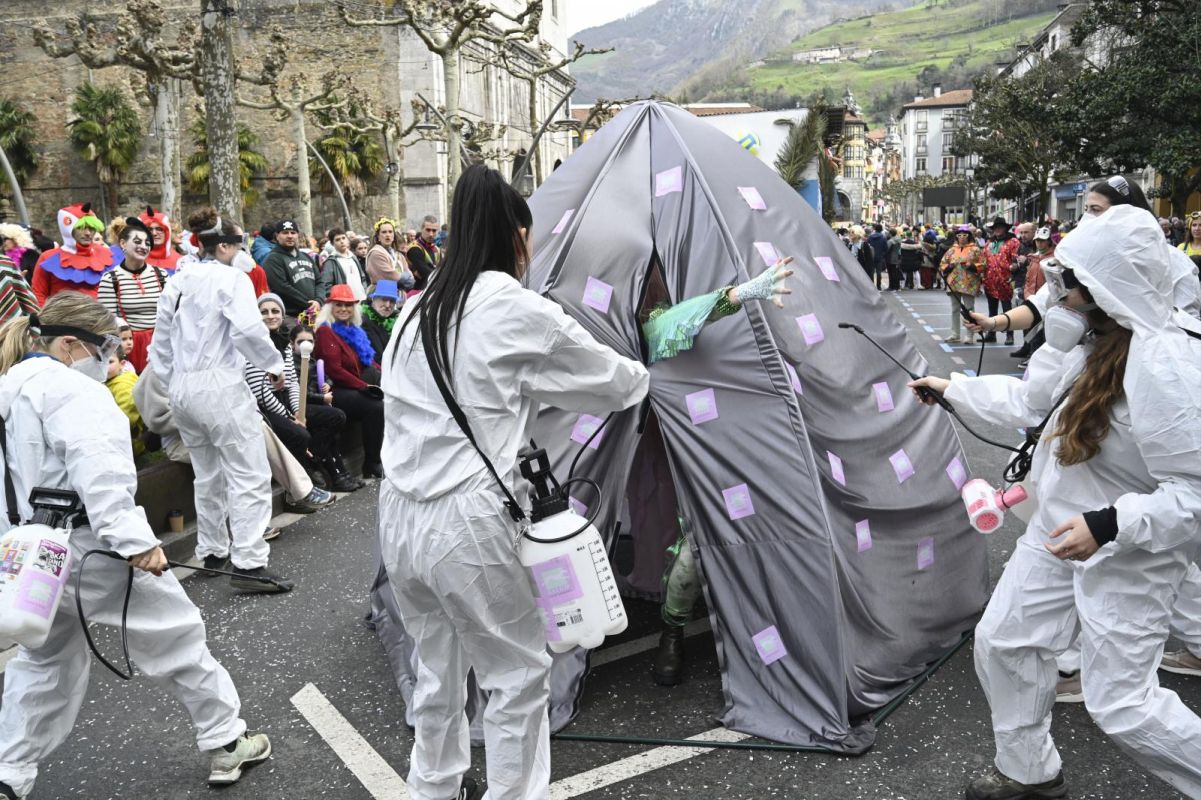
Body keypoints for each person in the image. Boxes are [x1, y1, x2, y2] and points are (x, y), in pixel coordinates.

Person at [911, 205, 1201, 800]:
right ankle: (1028, 773)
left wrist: (1109, 524)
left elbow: (1194, 492)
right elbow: (1033, 406)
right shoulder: (1096, 344)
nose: (1057, 292)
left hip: (1128, 552)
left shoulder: (1166, 363)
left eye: (1071, 282)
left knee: (1123, 705)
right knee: (1006, 643)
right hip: (1059, 532)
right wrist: (953, 389)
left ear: (1106, 288)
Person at [379, 164, 650, 800]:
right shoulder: (512, 305)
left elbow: (493, 389)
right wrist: (644, 372)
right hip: (466, 519)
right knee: (516, 675)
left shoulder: (415, 312)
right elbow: (612, 380)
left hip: (399, 517)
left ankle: (434, 789)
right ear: (518, 236)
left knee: (436, 669)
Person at [0, 293, 273, 800]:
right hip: (94, 550)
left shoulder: (9, 387)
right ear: (67, 345)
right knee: (177, 636)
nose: (111, 359)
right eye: (104, 348)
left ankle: (8, 773)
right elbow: (101, 475)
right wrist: (135, 544)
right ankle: (225, 740)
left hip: (32, 554)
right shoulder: (77, 394)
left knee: (42, 664)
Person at [148, 207, 293, 593]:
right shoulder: (232, 280)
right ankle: (249, 562)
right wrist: (274, 365)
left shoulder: (176, 281)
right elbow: (249, 331)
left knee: (208, 473)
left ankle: (212, 551)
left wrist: (172, 381)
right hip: (219, 384)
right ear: (226, 246)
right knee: (248, 474)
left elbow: (159, 344)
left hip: (182, 387)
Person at [249, 293, 361, 493]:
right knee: (298, 434)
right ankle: (305, 480)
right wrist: (291, 417)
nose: (270, 315)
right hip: (263, 409)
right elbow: (260, 390)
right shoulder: (252, 343)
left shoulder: (283, 341)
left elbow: (292, 382)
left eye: (275, 311)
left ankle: (314, 462)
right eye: (264, 312)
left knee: (336, 417)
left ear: (282, 315)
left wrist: (299, 412)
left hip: (285, 402)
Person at [313, 284, 385, 480]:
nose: (344, 309)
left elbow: (367, 361)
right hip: (334, 389)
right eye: (339, 305)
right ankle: (372, 463)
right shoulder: (326, 331)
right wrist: (364, 388)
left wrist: (385, 376)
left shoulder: (354, 329)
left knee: (384, 386)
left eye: (348, 305)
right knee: (375, 407)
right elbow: (334, 370)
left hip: (353, 385)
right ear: (330, 307)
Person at [96, 217, 171, 373]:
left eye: (147, 243)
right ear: (123, 244)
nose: (143, 246)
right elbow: (107, 322)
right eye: (137, 242)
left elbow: (171, 312)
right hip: (129, 347)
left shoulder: (161, 275)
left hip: (161, 343)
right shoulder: (111, 279)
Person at [30, 203, 118, 304]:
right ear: (68, 229)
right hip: (61, 317)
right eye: (82, 228)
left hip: (102, 317)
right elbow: (38, 293)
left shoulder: (107, 255)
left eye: (91, 228)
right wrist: (44, 318)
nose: (88, 233)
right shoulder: (48, 258)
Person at [262, 219, 320, 317]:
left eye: (293, 233)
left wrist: (319, 300)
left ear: (297, 235)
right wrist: (309, 304)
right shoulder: (273, 259)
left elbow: (319, 281)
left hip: (314, 312)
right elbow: (281, 287)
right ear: (277, 236)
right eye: (285, 233)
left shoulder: (306, 256)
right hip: (291, 316)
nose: (289, 236)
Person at [939, 225, 985, 345]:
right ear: (956, 237)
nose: (962, 238)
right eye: (959, 236)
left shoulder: (975, 249)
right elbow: (943, 263)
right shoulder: (951, 250)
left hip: (969, 283)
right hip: (953, 282)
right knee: (955, 309)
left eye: (964, 235)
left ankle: (970, 335)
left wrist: (972, 266)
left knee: (969, 310)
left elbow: (983, 264)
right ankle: (955, 334)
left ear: (969, 236)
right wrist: (949, 267)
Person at [983, 216, 1017, 345]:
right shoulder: (989, 243)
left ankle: (1010, 335)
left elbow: (1016, 259)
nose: (997, 230)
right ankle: (991, 333)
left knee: (1007, 310)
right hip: (990, 280)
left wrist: (1013, 272)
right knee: (992, 310)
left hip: (1005, 280)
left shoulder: (1013, 242)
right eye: (995, 228)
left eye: (1000, 227)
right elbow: (984, 259)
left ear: (1005, 229)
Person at [105, 346, 145, 455]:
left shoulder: (123, 386)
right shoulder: (111, 380)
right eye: (100, 360)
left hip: (129, 443)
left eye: (110, 362)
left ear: (122, 364)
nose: (105, 366)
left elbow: (126, 418)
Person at [318, 228, 369, 302]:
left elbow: (362, 278)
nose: (342, 241)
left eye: (343, 238)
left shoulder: (353, 257)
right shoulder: (331, 262)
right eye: (337, 240)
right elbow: (326, 285)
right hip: (346, 303)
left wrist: (365, 293)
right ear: (332, 243)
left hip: (361, 299)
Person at [365, 218, 415, 291]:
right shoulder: (375, 253)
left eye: (390, 232)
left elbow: (408, 273)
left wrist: (408, 278)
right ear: (378, 236)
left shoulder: (398, 255)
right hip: (382, 295)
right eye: (384, 232)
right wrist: (404, 277)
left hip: (399, 295)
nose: (387, 235)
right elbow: (389, 276)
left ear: (393, 236)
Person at [361, 279, 401, 356]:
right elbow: (378, 356)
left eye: (392, 301)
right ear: (373, 299)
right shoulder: (365, 321)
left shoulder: (397, 320)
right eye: (384, 299)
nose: (387, 305)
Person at [138, 206, 182, 271]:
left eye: (159, 229)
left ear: (167, 232)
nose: (154, 233)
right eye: (149, 229)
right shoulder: (133, 261)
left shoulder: (180, 261)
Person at [405, 214, 441, 291]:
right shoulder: (414, 248)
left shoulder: (437, 249)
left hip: (434, 289)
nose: (431, 234)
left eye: (434, 231)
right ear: (422, 229)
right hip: (417, 291)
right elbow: (426, 272)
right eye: (428, 230)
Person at [866, 223, 888, 290]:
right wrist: (883, 255)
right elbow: (886, 248)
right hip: (880, 256)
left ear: (875, 229)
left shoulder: (870, 237)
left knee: (871, 272)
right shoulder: (883, 238)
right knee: (879, 272)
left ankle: (872, 285)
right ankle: (878, 286)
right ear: (881, 229)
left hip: (871, 256)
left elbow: (867, 246)